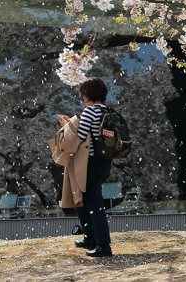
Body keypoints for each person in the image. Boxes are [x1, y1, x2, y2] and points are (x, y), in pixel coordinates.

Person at [58, 77, 113, 258]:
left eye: (83, 93)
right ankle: (90, 237)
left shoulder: (89, 112)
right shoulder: (108, 110)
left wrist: (67, 126)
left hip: (90, 163)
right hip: (104, 162)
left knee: (94, 204)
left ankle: (103, 245)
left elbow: (79, 138)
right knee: (81, 198)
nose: (82, 97)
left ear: (87, 94)